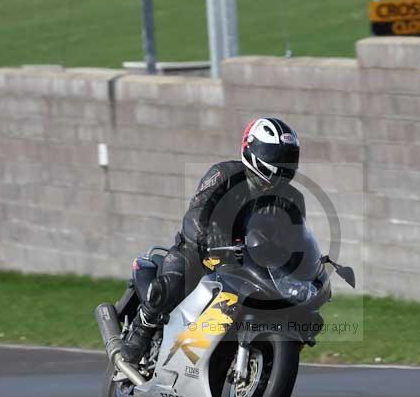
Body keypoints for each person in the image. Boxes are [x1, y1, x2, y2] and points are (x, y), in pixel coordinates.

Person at [120, 117, 306, 364]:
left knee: (292, 310)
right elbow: (195, 213)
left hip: (249, 269)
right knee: (172, 286)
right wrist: (206, 235)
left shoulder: (292, 200)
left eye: (288, 156)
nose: (282, 163)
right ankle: (141, 331)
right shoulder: (224, 174)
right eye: (274, 153)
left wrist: (306, 268)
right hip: (200, 254)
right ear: (252, 148)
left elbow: (295, 244)